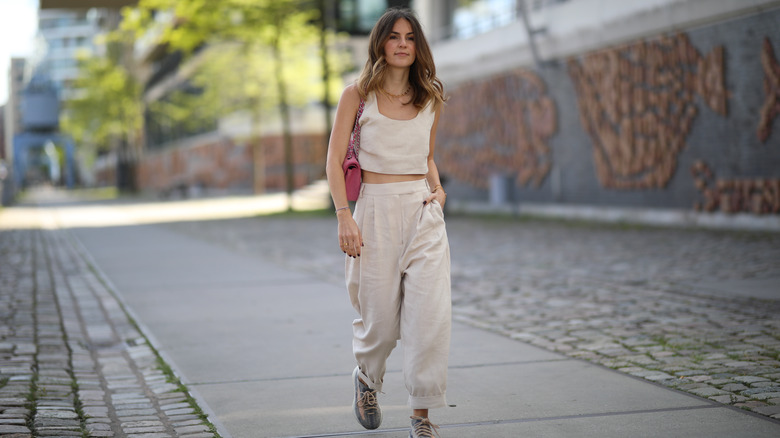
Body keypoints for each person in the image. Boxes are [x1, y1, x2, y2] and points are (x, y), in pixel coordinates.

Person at [325, 7, 451, 438]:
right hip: (374, 210)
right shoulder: (356, 95)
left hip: (422, 211)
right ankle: (366, 378)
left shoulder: (430, 96)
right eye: (394, 36)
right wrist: (344, 215)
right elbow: (333, 162)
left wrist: (438, 190)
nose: (402, 44)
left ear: (419, 46)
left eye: (410, 37)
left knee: (429, 318)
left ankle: (422, 417)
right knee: (379, 321)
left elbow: (428, 157)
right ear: (380, 43)